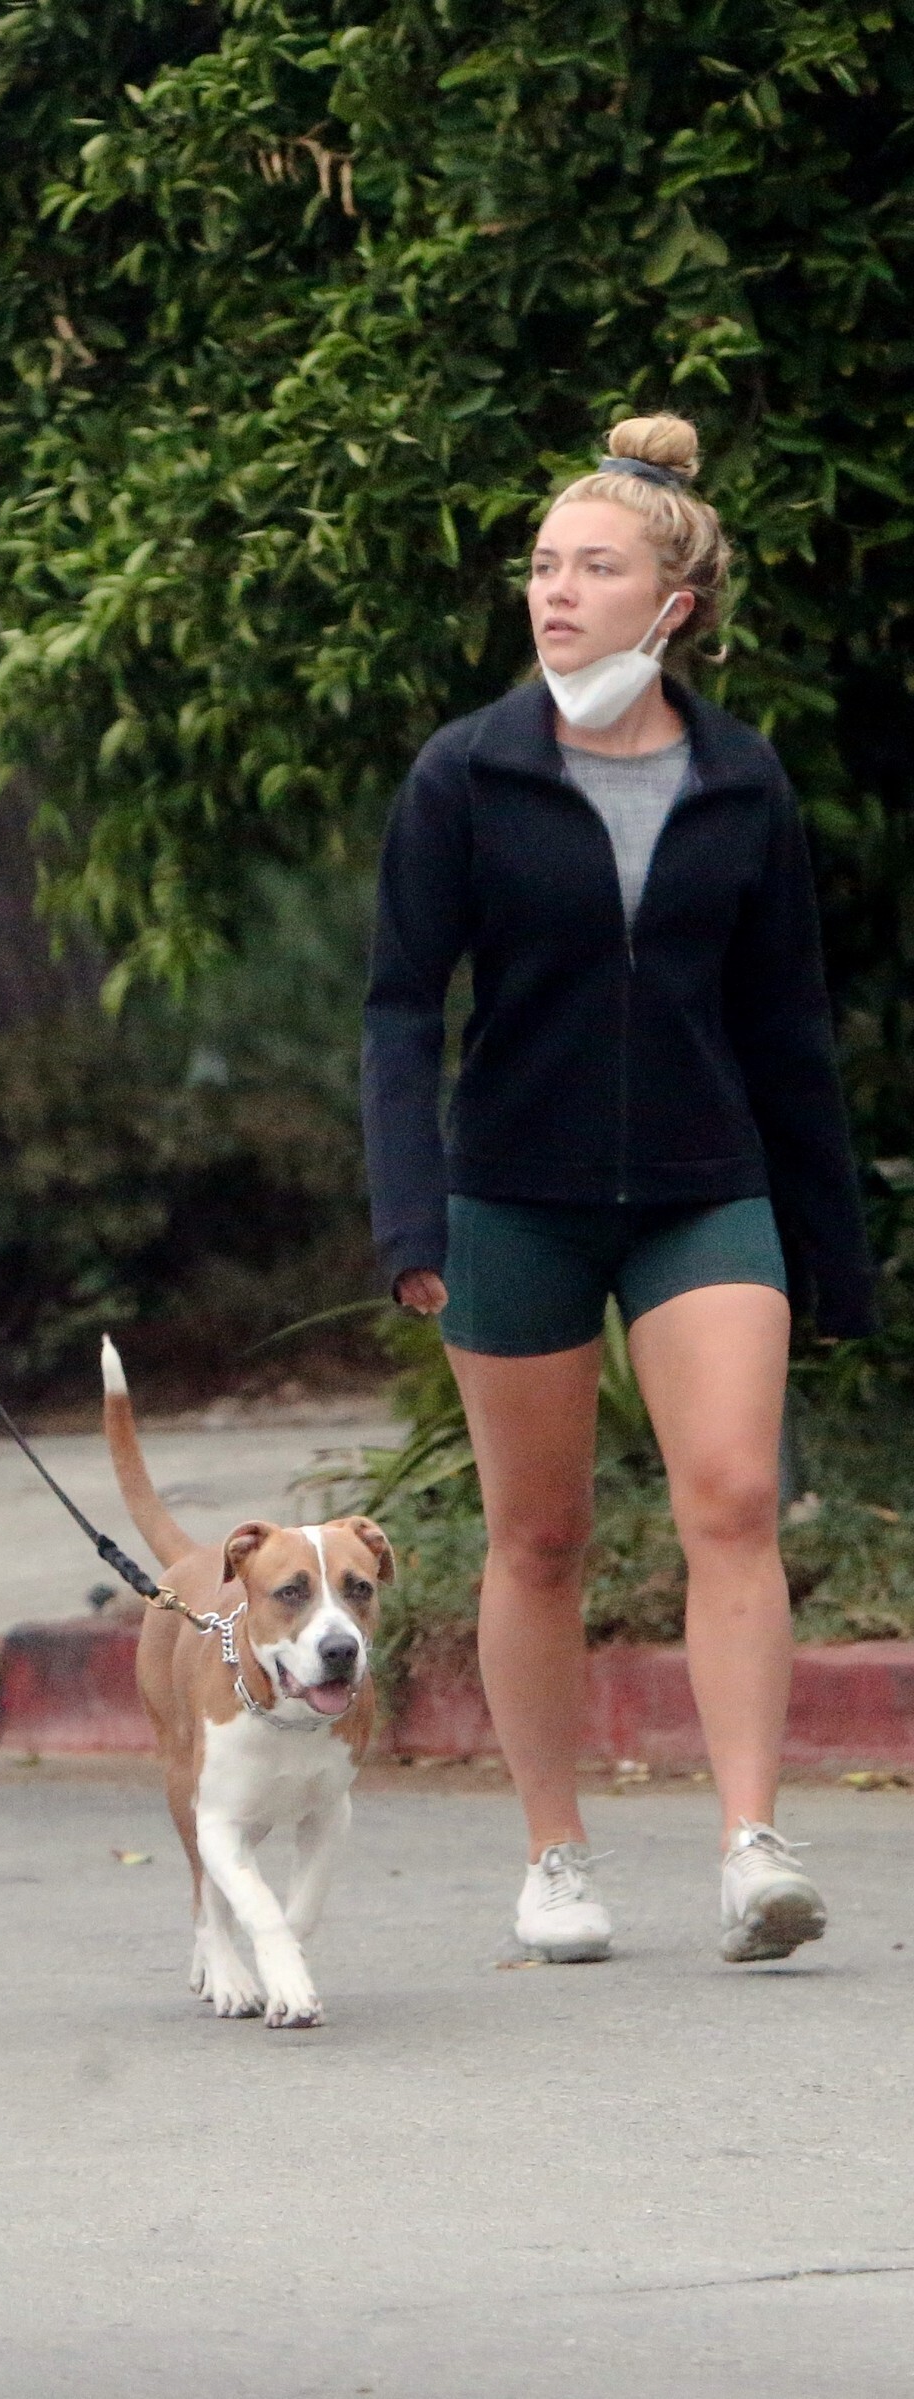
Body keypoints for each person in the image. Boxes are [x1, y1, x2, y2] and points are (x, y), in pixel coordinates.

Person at [363, 414, 876, 1966]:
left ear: (674, 605)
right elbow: (401, 1012)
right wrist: (410, 1217)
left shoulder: (741, 780)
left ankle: (751, 1846)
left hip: (704, 1190)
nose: (557, 593)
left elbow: (787, 1029)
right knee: (540, 1537)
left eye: (595, 569)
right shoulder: (468, 773)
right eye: (543, 567)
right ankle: (555, 1855)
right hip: (513, 1194)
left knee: (732, 1500)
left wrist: (829, 1252)